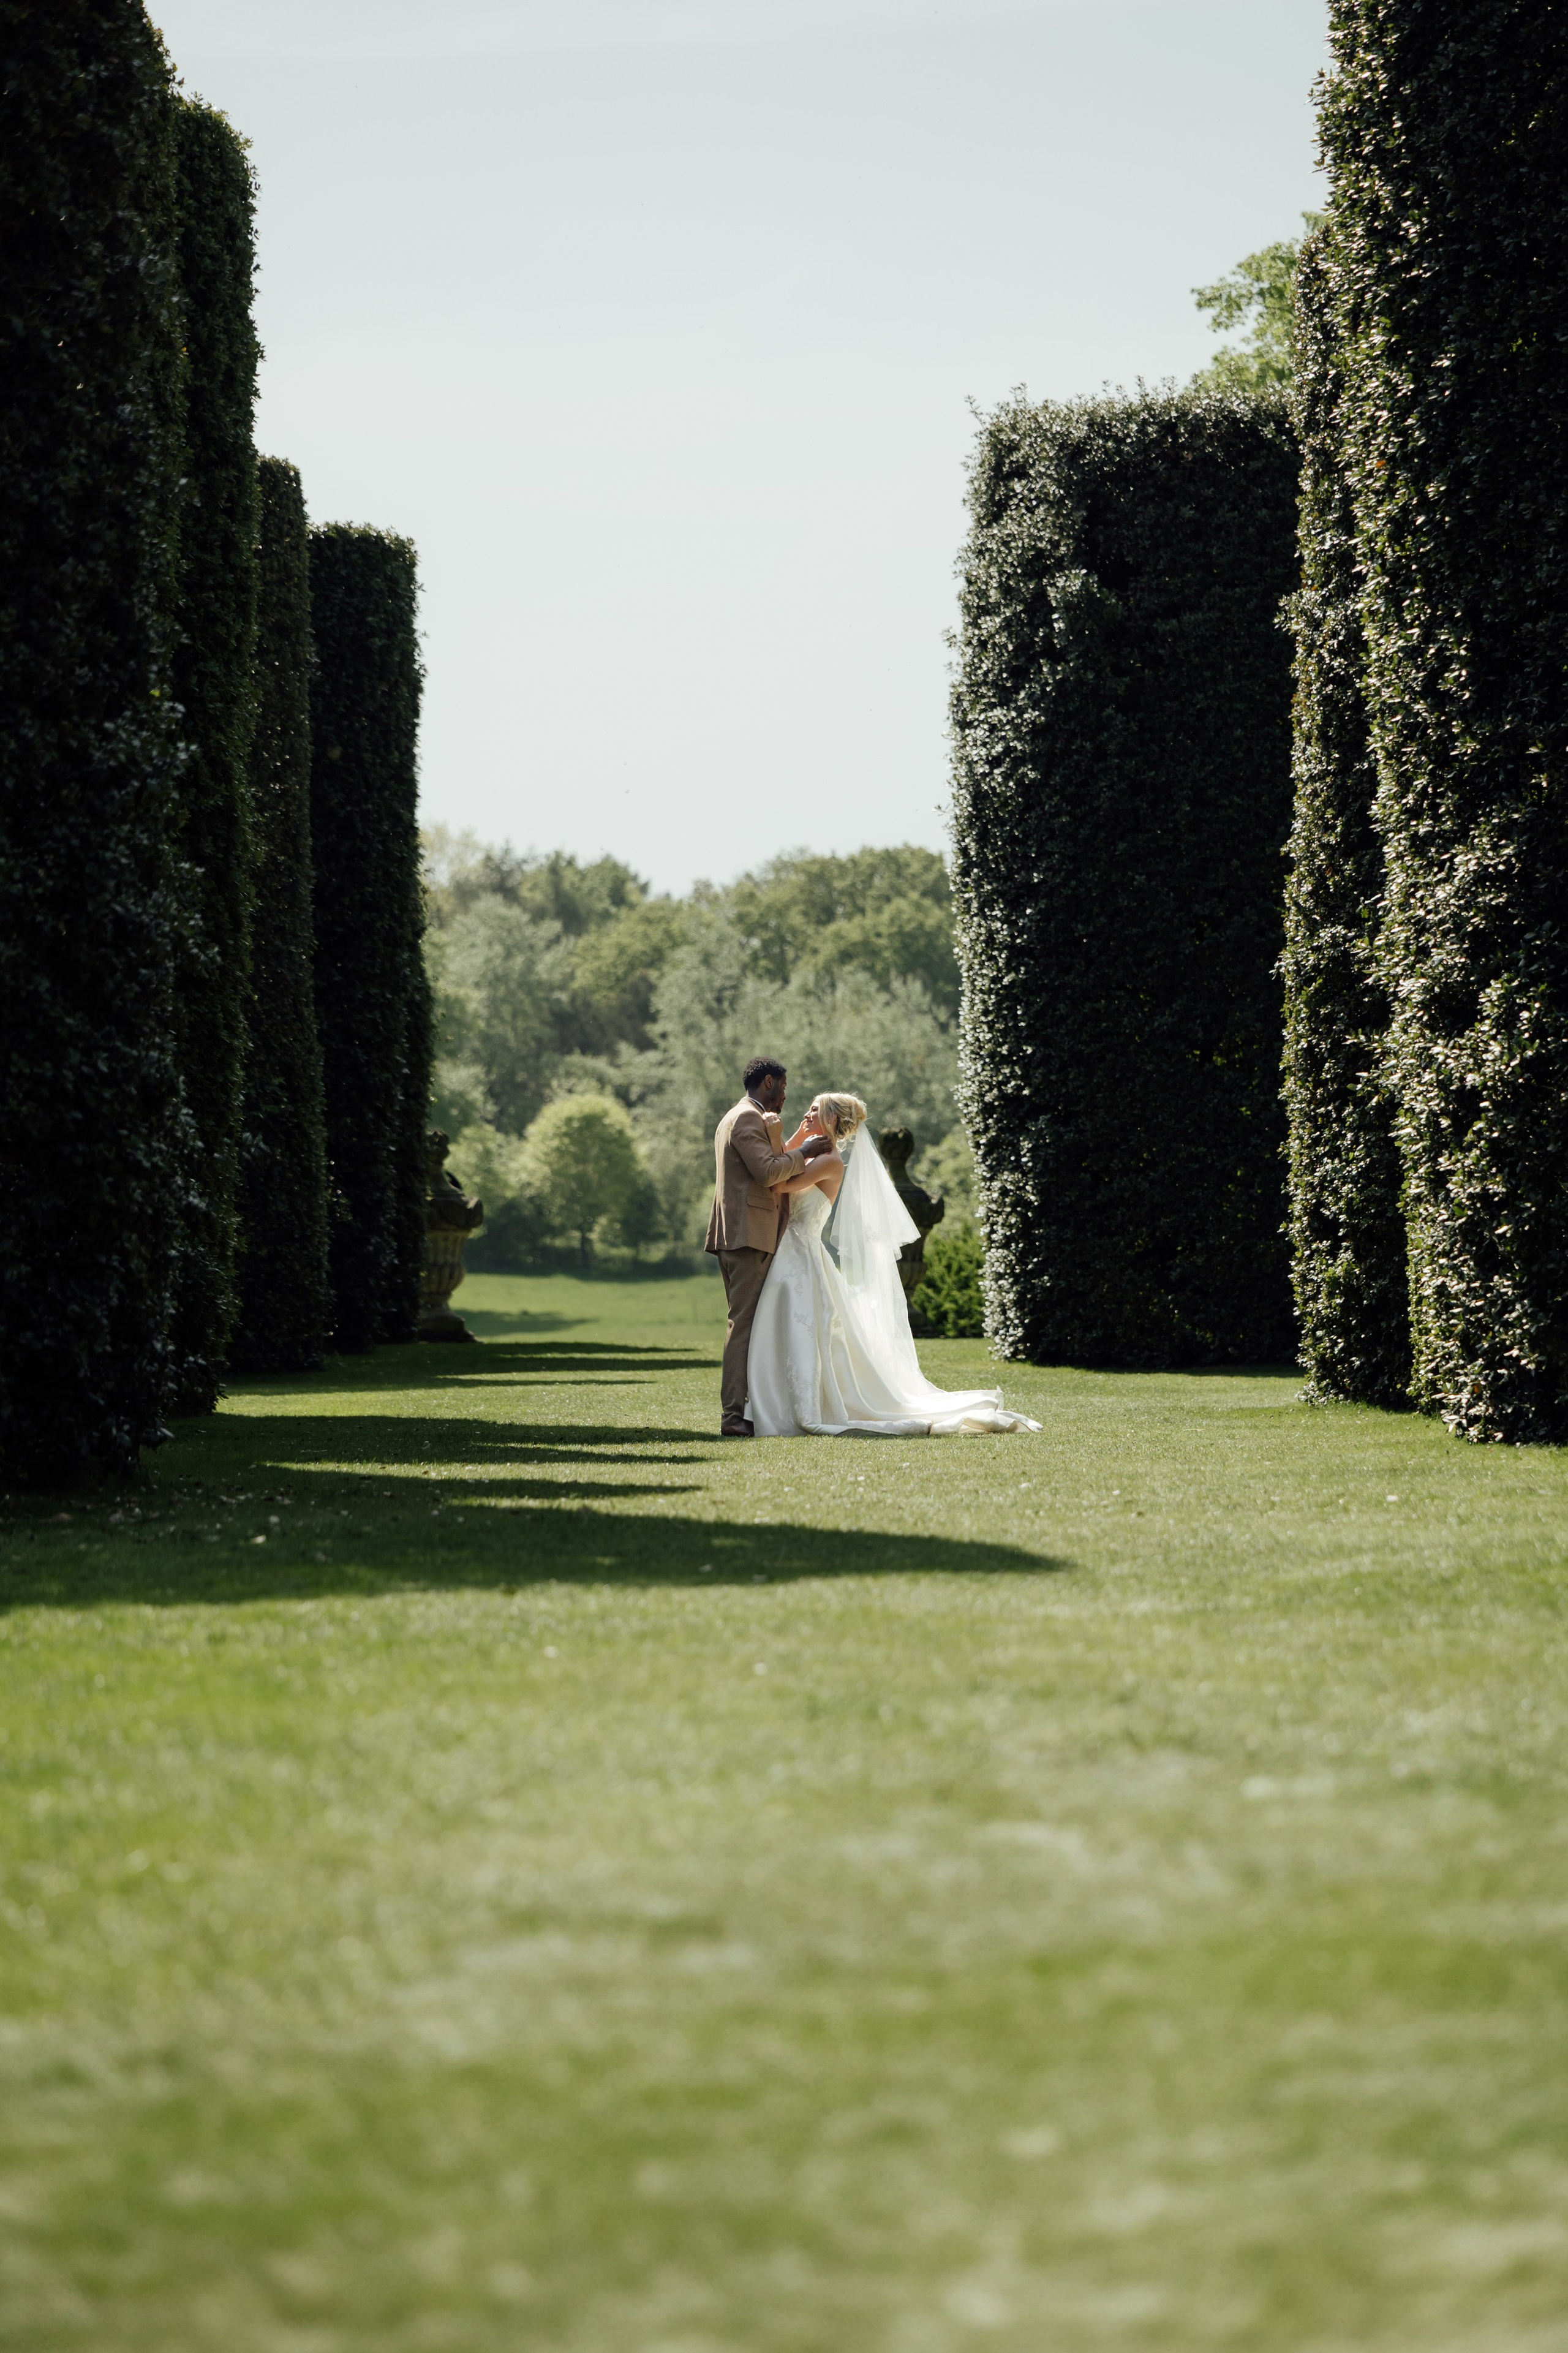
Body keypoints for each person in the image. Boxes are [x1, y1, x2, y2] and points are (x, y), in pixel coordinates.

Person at [745, 1092, 1040, 1438]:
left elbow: (777, 1182)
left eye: (815, 1111)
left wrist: (777, 1137)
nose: (807, 1114)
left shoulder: (829, 1162)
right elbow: (783, 1161)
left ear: (833, 1122)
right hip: (789, 1251)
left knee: (803, 1331)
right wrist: (791, 1135)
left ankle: (793, 1408)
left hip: (801, 1253)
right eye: (809, 1108)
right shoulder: (811, 1150)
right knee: (785, 1329)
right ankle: (768, 1403)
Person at [704, 1056, 835, 1438]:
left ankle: (749, 1408)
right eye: (782, 1088)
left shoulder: (737, 1116)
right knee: (742, 1326)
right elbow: (767, 1173)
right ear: (767, 1084)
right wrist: (806, 1150)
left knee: (749, 1324)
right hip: (749, 1236)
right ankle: (733, 1417)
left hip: (739, 1235)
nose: (784, 1097)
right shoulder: (747, 1118)